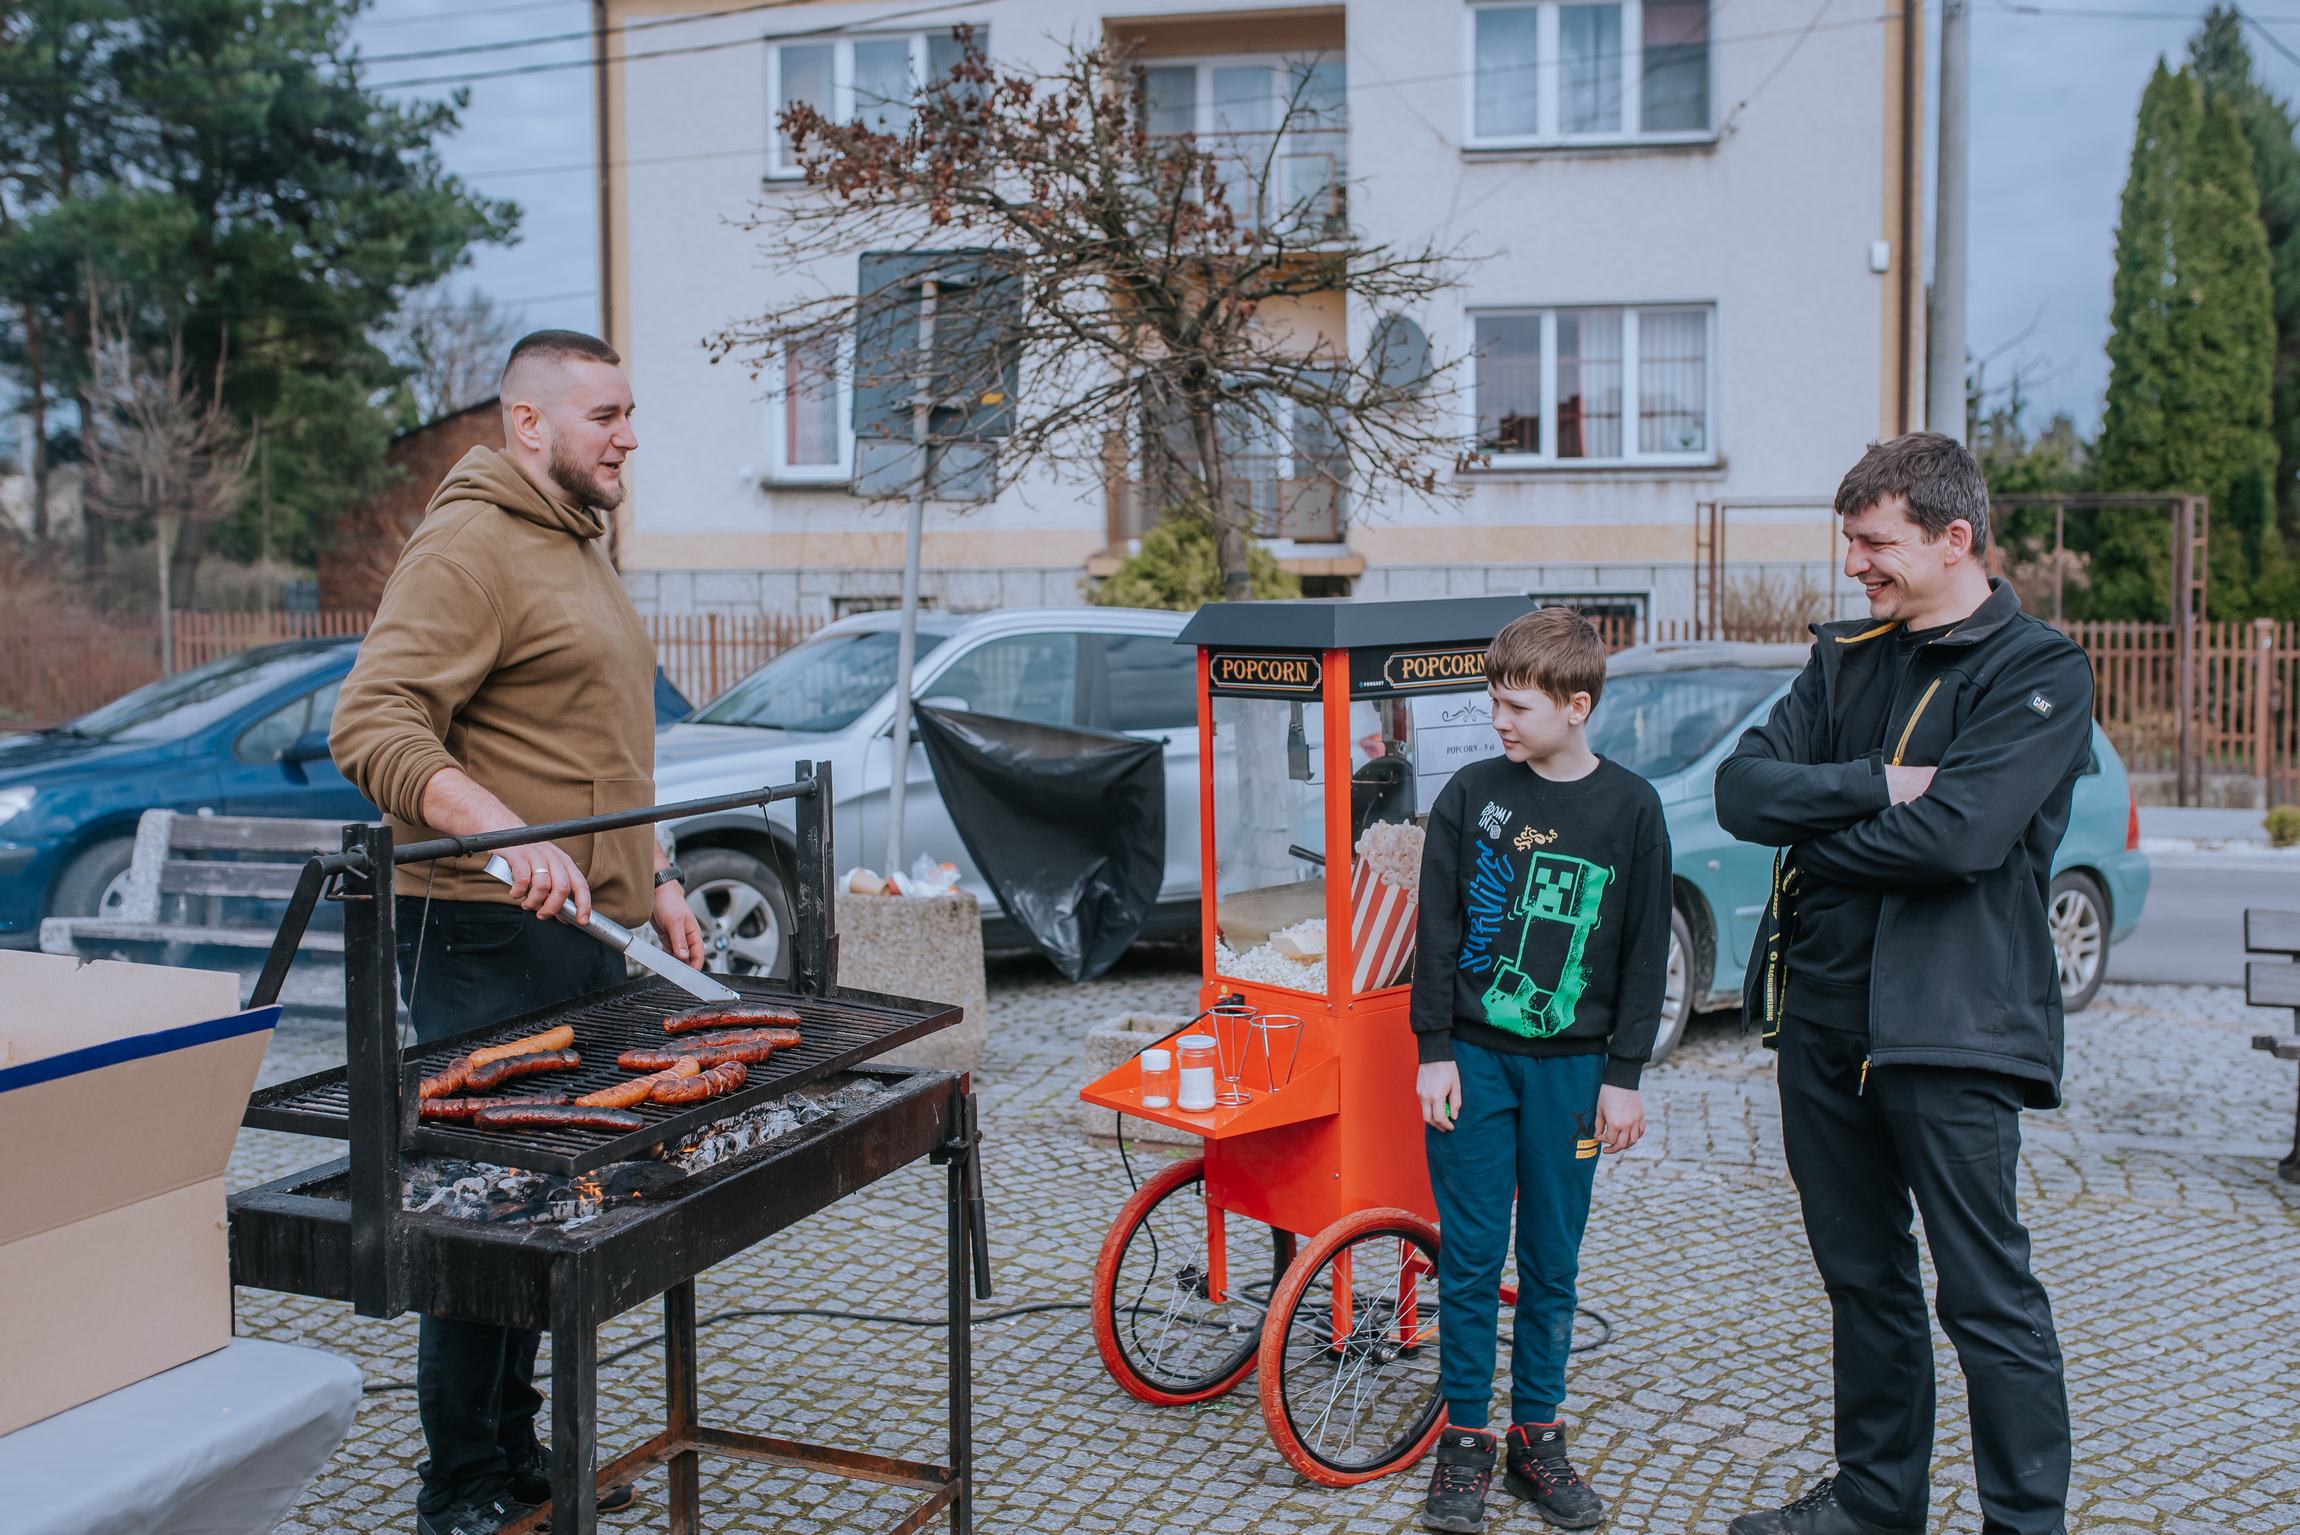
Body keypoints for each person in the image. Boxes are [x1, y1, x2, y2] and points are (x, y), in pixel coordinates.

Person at [332, 329, 705, 1535]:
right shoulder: (469, 544)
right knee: (484, 1208)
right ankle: (459, 1485)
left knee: (551, 1200)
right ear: (529, 422)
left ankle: (518, 1449)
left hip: (585, 927)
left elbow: (600, 741)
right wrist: (500, 830)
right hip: (482, 929)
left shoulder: (576, 542)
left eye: (630, 412)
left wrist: (655, 871)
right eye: (605, 414)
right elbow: (372, 720)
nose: (628, 437)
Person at [1715, 433, 2092, 1535]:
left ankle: (2023, 1522)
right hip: (1821, 1021)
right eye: (1850, 541)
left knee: (1984, 1294)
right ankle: (1876, 1504)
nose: (1854, 565)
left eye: (1874, 543)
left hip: (1952, 1029)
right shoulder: (1846, 659)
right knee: (1861, 1277)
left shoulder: (2036, 669)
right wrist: (1880, 783)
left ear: (1952, 537)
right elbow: (1742, 790)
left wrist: (1820, 837)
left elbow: (1961, 836)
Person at [1410, 606, 1671, 1534]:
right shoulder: (1472, 794)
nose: (1498, 720)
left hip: (1574, 1076)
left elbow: (1644, 952)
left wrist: (1624, 1073)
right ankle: (1465, 1441)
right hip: (1474, 1066)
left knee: (1552, 1261)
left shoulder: (1632, 808)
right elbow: (1436, 929)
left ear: (1576, 704)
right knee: (1472, 1257)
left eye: (1516, 704)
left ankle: (1536, 1438)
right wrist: (1433, 1052)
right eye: (1494, 700)